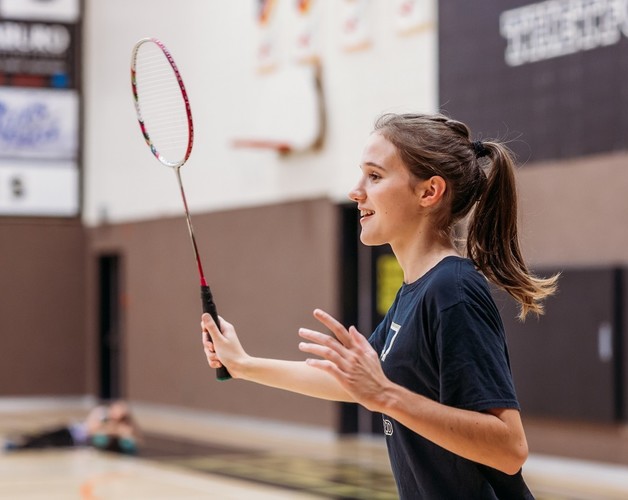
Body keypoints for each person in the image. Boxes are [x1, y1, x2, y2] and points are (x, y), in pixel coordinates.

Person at [200, 112, 558, 499]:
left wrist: (385, 394)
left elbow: (508, 449)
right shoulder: (414, 292)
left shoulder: (452, 290)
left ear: (429, 192)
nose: (356, 191)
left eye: (374, 176)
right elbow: (357, 386)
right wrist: (243, 365)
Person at [3, 400, 141, 455]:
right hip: (72, 431)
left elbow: (134, 439)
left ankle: (19, 447)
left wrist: (120, 431)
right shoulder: (102, 413)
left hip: (75, 441)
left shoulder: (124, 426)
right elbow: (91, 427)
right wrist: (112, 429)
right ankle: (17, 441)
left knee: (45, 444)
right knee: (44, 434)